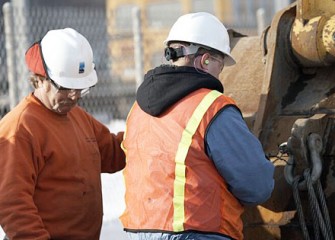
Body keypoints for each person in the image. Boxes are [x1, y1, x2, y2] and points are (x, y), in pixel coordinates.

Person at [120, 12, 275, 240]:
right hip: (197, 233)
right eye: (220, 66)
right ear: (205, 61)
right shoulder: (211, 107)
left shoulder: (138, 109)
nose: (220, 75)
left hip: (137, 232)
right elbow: (256, 186)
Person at [0, 28, 125, 240]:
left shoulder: (78, 117)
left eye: (81, 88)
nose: (74, 96)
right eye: (66, 88)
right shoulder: (20, 128)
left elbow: (114, 153)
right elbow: (13, 204)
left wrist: (147, 130)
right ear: (39, 79)